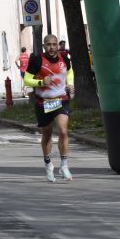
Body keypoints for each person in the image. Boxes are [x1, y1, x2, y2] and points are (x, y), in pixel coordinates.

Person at [22, 34, 75, 182]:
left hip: (61, 100)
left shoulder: (64, 58)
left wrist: (70, 83)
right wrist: (40, 82)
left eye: (54, 44)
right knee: (47, 134)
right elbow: (26, 79)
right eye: (48, 45)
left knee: (63, 131)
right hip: (43, 102)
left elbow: (69, 71)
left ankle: (64, 165)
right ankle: (48, 165)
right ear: (44, 46)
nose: (51, 48)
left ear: (57, 45)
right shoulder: (37, 60)